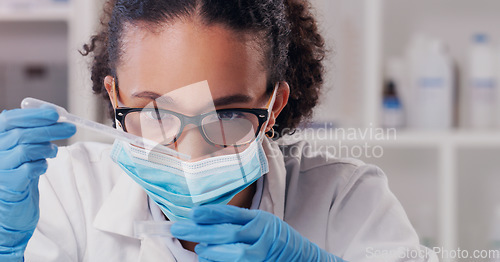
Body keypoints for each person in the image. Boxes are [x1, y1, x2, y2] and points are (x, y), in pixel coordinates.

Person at [0, 0, 438, 261]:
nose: (191, 154)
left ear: (273, 105)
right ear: (116, 99)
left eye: (227, 115)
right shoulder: (64, 193)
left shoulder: (343, 198)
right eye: (156, 111)